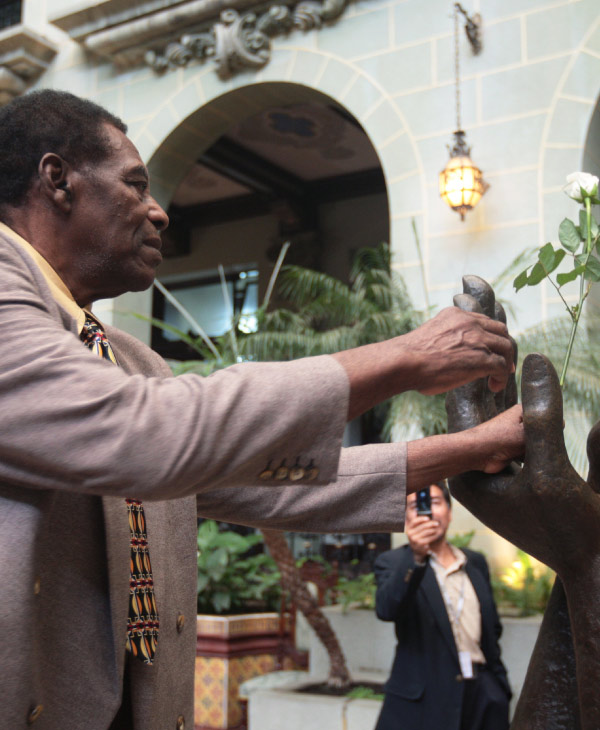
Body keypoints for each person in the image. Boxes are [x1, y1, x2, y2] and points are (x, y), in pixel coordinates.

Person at [0, 89, 524, 730]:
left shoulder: (129, 359)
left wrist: (477, 446)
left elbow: (266, 488)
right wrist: (405, 358)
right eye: (135, 185)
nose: (160, 212)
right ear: (58, 180)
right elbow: (142, 433)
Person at [374, 481, 511, 730]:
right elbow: (387, 610)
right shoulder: (394, 562)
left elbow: (492, 628)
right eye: (415, 506)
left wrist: (498, 686)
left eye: (434, 503)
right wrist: (416, 558)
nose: (426, 512)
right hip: (425, 699)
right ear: (405, 517)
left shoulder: (474, 561)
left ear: (449, 511)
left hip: (482, 693)